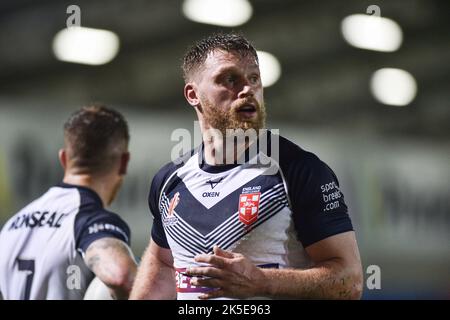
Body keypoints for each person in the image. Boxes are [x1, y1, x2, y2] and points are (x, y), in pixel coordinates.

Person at [130, 33, 363, 300]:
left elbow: (350, 281)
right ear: (193, 94)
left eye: (254, 78)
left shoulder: (299, 170)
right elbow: (164, 264)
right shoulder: (169, 180)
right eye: (230, 79)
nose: (247, 89)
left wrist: (263, 281)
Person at [0, 105, 137, 300]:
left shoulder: (11, 226)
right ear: (124, 162)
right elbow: (121, 276)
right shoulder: (89, 220)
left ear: (63, 158)